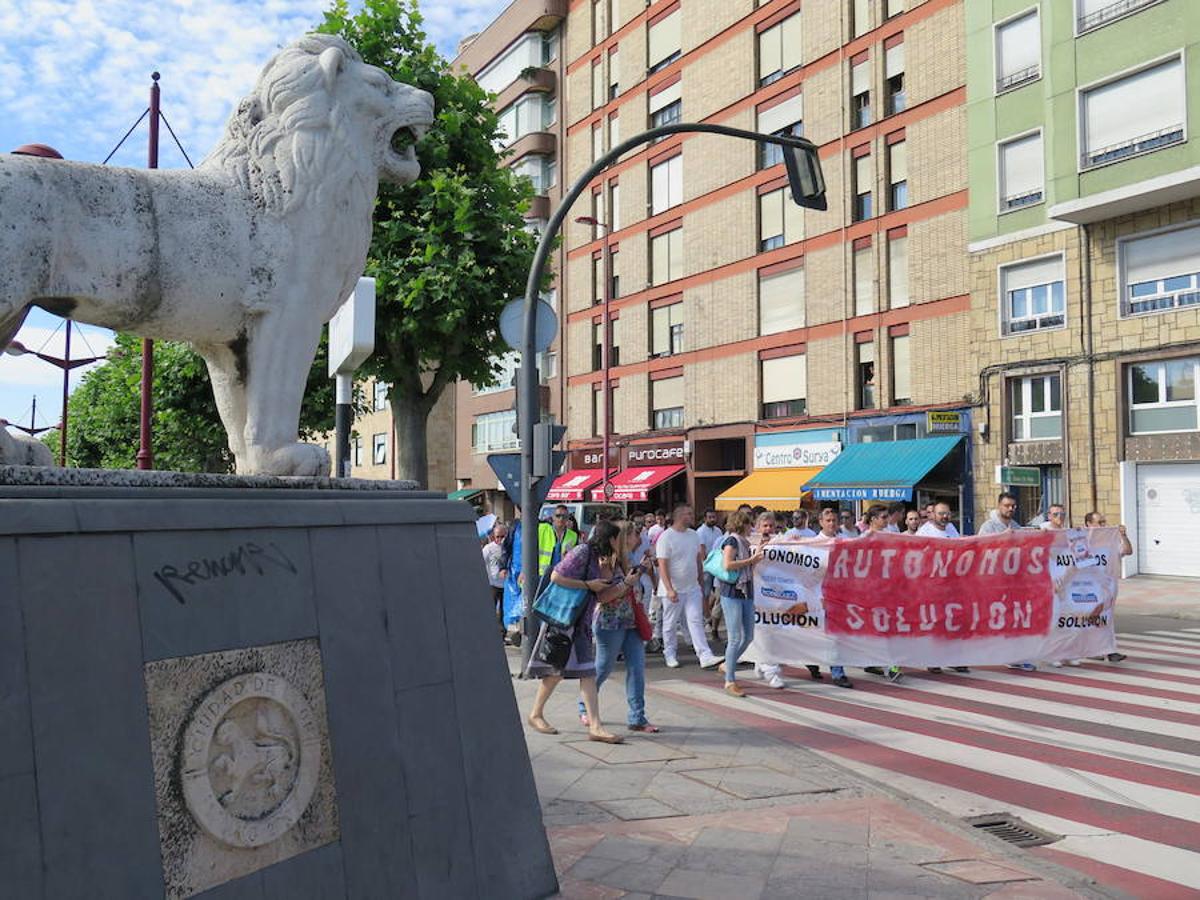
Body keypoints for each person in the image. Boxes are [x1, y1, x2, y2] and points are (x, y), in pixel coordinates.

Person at [525, 521, 628, 743]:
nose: (619, 544)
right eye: (617, 539)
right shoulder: (583, 551)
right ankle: (536, 714)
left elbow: (600, 595)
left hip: (580, 625)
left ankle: (595, 726)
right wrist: (588, 585)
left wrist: (621, 583)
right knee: (555, 672)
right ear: (610, 538)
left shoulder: (598, 558)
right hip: (564, 621)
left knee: (587, 673)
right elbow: (556, 576)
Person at [578, 520, 659, 733]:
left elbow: (630, 582)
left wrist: (641, 568)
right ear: (623, 537)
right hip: (610, 622)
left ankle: (637, 717)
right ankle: (584, 706)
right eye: (634, 534)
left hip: (630, 620)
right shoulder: (607, 562)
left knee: (637, 668)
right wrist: (629, 583)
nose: (639, 538)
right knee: (603, 668)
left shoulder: (628, 558)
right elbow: (604, 596)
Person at [755, 511, 821, 687]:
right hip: (760, 596)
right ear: (758, 527)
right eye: (765, 526)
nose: (768, 529)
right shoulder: (752, 544)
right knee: (763, 632)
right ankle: (771, 671)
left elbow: (795, 562)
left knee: (775, 633)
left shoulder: (781, 543)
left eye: (771, 526)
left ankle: (762, 662)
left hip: (779, 596)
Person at [655, 504, 720, 669]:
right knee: (670, 623)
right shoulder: (666, 537)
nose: (692, 517)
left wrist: (700, 579)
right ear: (680, 516)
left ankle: (704, 655)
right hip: (673, 588)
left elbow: (697, 559)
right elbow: (662, 564)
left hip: (692, 587)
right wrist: (669, 589)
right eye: (689, 514)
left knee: (695, 621)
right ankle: (669, 653)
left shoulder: (693, 535)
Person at [978, 493, 1036, 671]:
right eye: (1007, 505)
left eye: (1013, 506)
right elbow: (981, 549)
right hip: (994, 581)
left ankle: (1014, 655)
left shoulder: (1016, 526)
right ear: (999, 505)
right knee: (995, 619)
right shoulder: (988, 527)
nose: (1010, 509)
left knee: (1015, 618)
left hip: (1014, 581)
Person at [715, 508, 765, 696]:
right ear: (742, 524)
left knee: (748, 636)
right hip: (732, 591)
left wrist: (753, 559)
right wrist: (751, 560)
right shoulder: (732, 540)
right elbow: (727, 564)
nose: (751, 527)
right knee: (735, 637)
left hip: (745, 591)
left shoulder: (743, 541)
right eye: (749, 523)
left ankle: (728, 664)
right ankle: (730, 681)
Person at [915, 503, 968, 673]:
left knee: (953, 622)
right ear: (933, 515)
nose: (944, 516)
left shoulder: (952, 528)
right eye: (941, 514)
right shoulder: (924, 532)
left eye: (947, 513)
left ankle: (953, 658)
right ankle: (933, 659)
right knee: (936, 622)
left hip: (953, 584)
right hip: (933, 585)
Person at [860, 504, 903, 683]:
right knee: (877, 628)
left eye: (887, 516)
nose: (887, 520)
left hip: (889, 589)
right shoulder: (864, 539)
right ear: (873, 520)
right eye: (883, 517)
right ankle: (888, 665)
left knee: (888, 628)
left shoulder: (891, 535)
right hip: (871, 590)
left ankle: (886, 664)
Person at [1085, 510, 1132, 664]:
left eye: (1104, 522)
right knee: (1095, 618)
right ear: (1089, 524)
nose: (1103, 525)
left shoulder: (1110, 541)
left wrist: (1123, 536)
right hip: (1089, 587)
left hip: (1108, 587)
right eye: (1099, 522)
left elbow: (1127, 551)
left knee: (1105, 619)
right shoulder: (1083, 541)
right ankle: (1100, 649)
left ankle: (1105, 650)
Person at [816, 508, 853, 688]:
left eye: (834, 520)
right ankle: (812, 662)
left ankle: (838, 673)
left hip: (838, 594)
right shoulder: (813, 543)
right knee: (815, 633)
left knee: (835, 635)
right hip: (818, 595)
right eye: (828, 520)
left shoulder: (842, 541)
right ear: (821, 522)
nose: (831, 524)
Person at [696, 509, 725, 642]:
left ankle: (708, 615)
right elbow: (702, 551)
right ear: (705, 518)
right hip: (706, 567)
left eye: (714, 517)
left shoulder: (718, 531)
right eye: (710, 517)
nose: (712, 519)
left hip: (717, 567)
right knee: (706, 593)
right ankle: (706, 618)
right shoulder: (700, 532)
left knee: (715, 594)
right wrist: (707, 566)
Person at [482, 522, 508, 637]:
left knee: (504, 610)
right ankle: (489, 631)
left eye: (503, 536)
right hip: (493, 584)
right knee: (491, 609)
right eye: (497, 536)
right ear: (494, 536)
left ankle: (502, 633)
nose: (500, 539)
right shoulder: (489, 548)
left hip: (506, 585)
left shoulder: (509, 547)